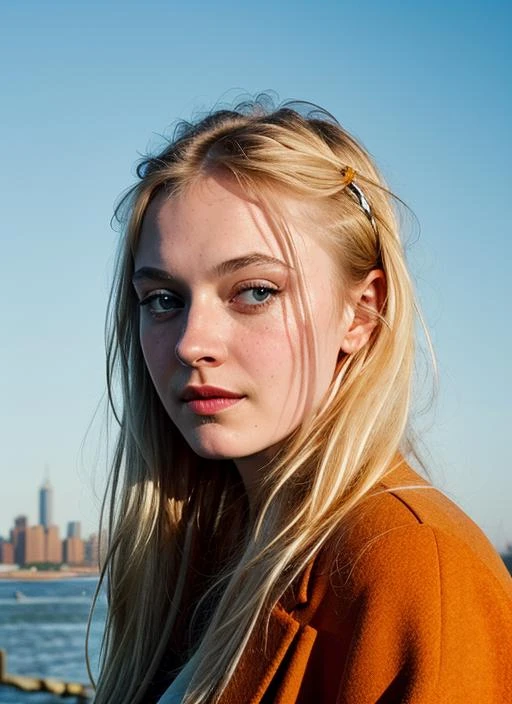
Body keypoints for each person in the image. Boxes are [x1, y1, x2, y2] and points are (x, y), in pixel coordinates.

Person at [90, 96, 512, 704]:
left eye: (254, 291)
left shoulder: (413, 569)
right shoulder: (211, 562)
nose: (190, 342)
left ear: (362, 312)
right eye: (163, 298)